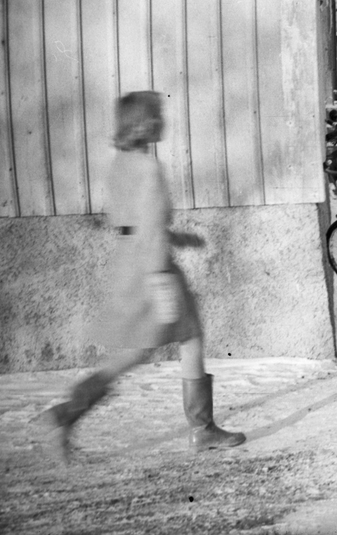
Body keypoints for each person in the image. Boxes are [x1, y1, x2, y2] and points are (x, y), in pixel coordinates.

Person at [43, 92, 245, 462]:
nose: (163, 120)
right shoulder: (150, 168)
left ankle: (66, 414)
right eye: (158, 114)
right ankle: (202, 430)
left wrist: (178, 239)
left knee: (137, 351)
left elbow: (131, 221)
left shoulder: (119, 164)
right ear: (144, 124)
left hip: (130, 259)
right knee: (188, 338)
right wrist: (159, 276)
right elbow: (149, 225)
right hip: (153, 265)